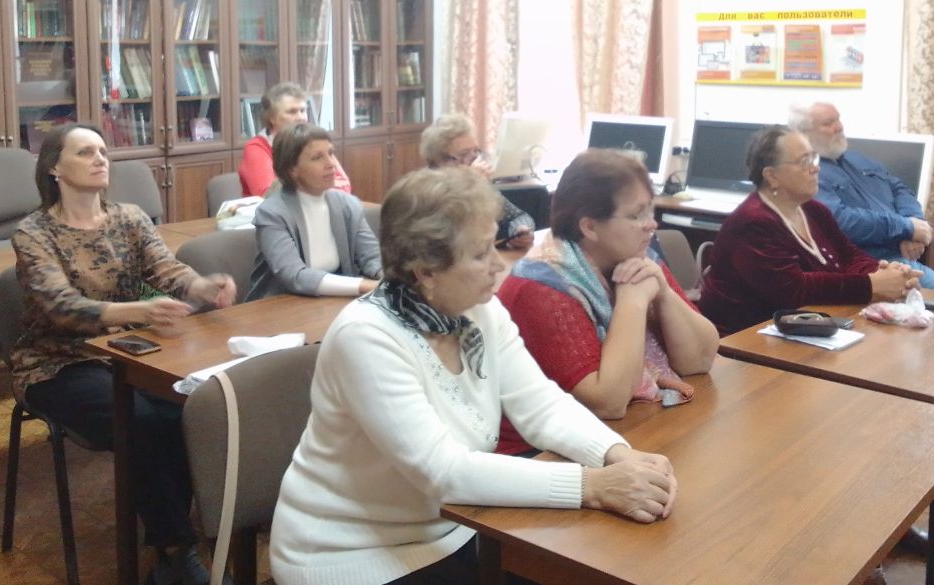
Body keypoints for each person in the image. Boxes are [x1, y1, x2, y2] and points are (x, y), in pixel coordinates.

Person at [270, 166, 678, 585]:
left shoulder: (477, 308)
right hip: (350, 554)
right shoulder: (366, 337)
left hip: (455, 526)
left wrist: (616, 454)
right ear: (426, 271)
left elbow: (540, 404)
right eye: (481, 254)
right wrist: (592, 486)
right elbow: (442, 472)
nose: (498, 265)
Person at [11, 123, 237, 585]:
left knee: (190, 408)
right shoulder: (34, 232)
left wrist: (201, 286)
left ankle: (175, 538)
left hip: (127, 352)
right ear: (54, 168)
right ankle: (174, 551)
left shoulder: (128, 217)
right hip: (56, 363)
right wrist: (140, 310)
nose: (100, 159)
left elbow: (166, 268)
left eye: (102, 151)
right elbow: (61, 307)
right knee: (141, 419)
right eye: (85, 152)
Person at [495, 150, 719, 455]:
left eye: (650, 211)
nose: (652, 224)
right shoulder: (543, 286)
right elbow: (609, 403)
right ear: (589, 227)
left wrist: (664, 294)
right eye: (636, 215)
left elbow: (699, 361)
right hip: (539, 454)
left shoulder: (635, 257)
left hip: (617, 433)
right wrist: (634, 301)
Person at [698, 126, 922, 336]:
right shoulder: (752, 223)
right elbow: (793, 290)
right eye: (804, 161)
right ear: (772, 176)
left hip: (805, 328)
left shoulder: (813, 210)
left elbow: (848, 256)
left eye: (814, 158)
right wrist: (872, 285)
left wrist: (885, 274)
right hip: (744, 339)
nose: (816, 168)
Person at [788, 101, 934, 296]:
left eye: (838, 119)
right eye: (828, 123)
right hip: (869, 265)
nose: (839, 126)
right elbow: (841, 221)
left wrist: (914, 226)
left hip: (900, 255)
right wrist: (905, 227)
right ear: (803, 133)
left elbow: (899, 189)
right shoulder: (806, 173)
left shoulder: (855, 159)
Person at [246, 123, 382, 301]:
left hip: (336, 299)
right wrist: (363, 285)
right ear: (292, 169)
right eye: (318, 157)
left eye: (331, 153)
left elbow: (373, 257)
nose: (331, 164)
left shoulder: (347, 204)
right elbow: (294, 275)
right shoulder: (272, 213)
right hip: (282, 304)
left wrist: (390, 278)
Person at [420, 112, 535, 249]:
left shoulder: (476, 182)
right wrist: (471, 187)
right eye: (464, 154)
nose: (474, 160)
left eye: (475, 151)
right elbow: (454, 237)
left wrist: (519, 230)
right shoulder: (423, 191)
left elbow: (518, 216)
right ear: (439, 160)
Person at [237, 82, 353, 196]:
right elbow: (269, 195)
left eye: (303, 110)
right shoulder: (257, 148)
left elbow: (344, 185)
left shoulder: (314, 142)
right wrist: (320, 187)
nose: (300, 117)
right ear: (272, 118)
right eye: (292, 112)